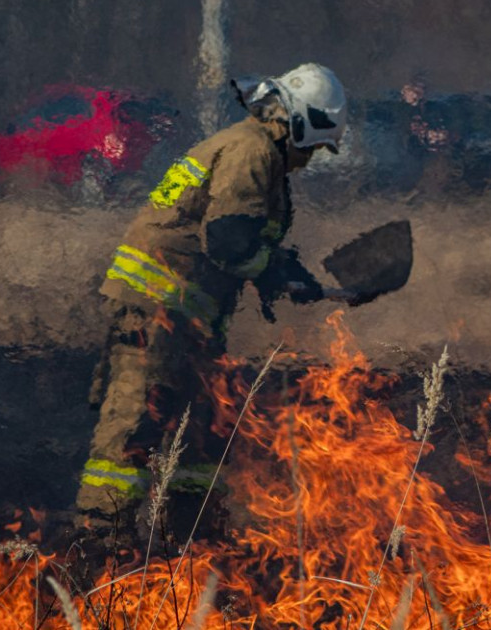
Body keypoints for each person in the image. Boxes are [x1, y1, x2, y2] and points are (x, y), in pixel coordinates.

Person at [76, 63, 350, 523]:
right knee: (136, 426)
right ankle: (99, 546)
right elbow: (225, 240)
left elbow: (237, 236)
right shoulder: (251, 152)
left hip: (186, 317)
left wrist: (279, 265)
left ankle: (191, 538)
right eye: (317, 145)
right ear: (300, 124)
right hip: (158, 311)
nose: (313, 157)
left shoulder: (248, 148)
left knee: (204, 425)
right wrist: (273, 272)